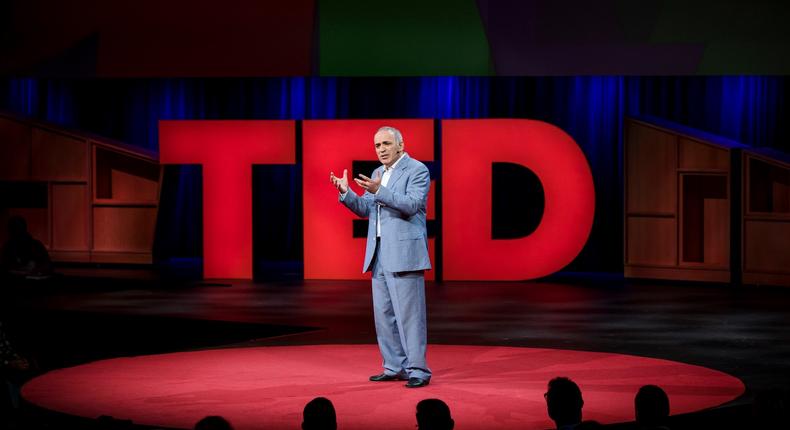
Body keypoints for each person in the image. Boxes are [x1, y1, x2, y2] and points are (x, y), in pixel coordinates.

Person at [329, 126, 432, 388]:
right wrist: (346, 193)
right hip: (378, 254)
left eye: (386, 144)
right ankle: (394, 366)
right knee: (384, 316)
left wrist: (379, 191)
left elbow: (412, 204)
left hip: (404, 254)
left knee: (410, 316)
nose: (382, 149)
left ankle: (418, 369)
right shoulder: (377, 173)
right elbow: (366, 209)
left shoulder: (417, 170)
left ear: (400, 144)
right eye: (377, 146)